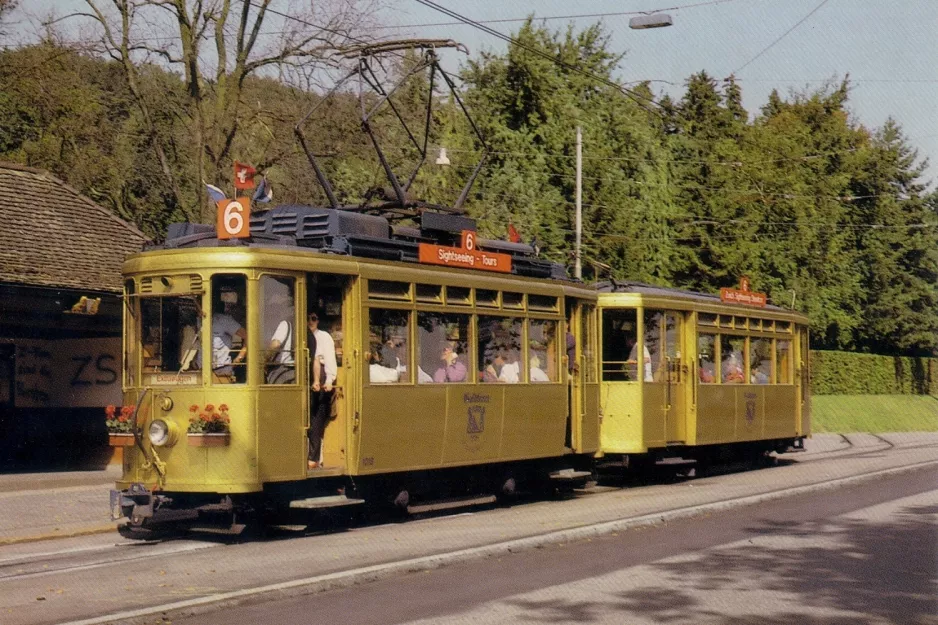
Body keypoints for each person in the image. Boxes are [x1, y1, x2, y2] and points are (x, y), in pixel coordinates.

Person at [307, 312, 337, 469]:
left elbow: (328, 358)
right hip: (308, 375)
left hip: (322, 375)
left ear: (318, 321)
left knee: (317, 418)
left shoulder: (324, 336)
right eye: (307, 318)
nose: (310, 322)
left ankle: (314, 457)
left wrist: (329, 380)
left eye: (313, 318)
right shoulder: (303, 335)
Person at [211, 308, 246, 382]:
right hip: (200, 373)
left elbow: (248, 336)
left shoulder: (224, 320)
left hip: (221, 373)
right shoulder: (198, 321)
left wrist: (239, 358)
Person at [266, 317, 295, 384]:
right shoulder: (303, 328)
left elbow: (275, 344)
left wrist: (265, 360)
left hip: (281, 371)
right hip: (297, 372)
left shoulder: (285, 324)